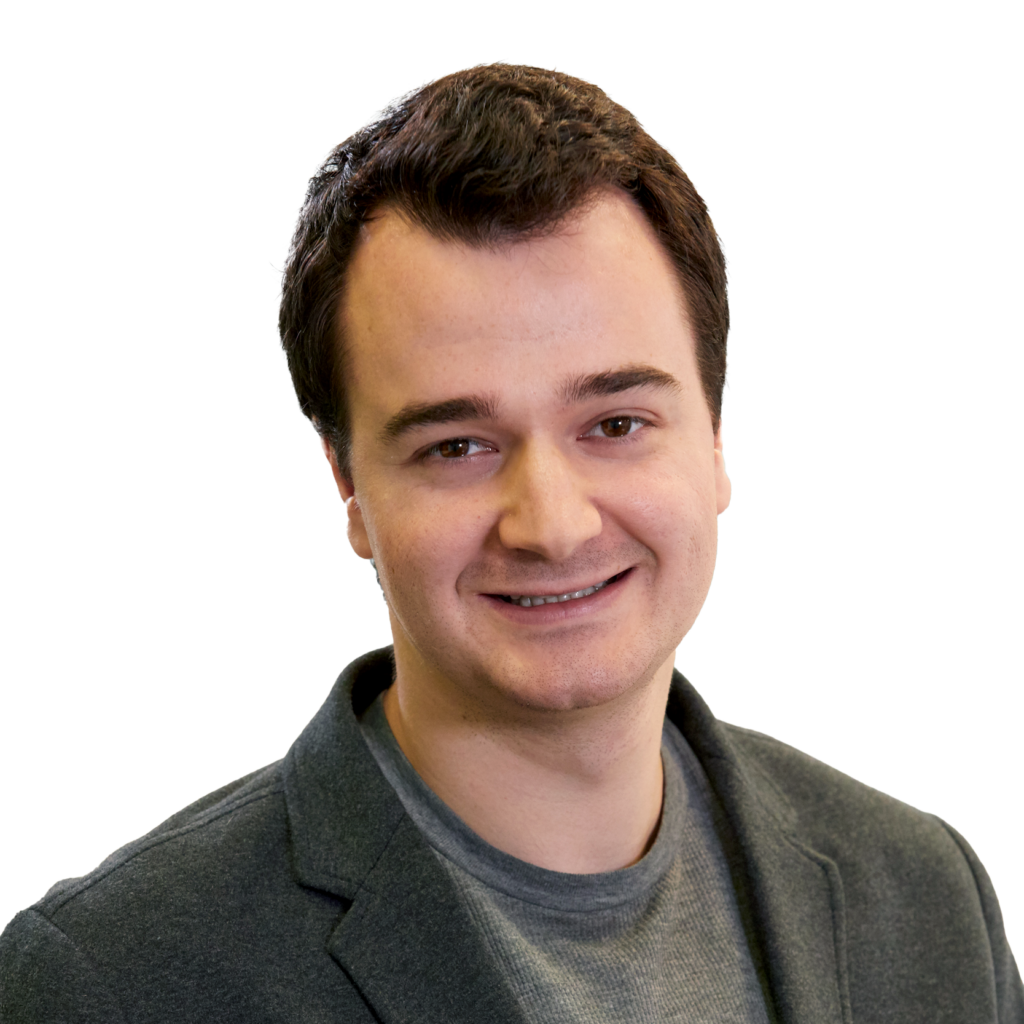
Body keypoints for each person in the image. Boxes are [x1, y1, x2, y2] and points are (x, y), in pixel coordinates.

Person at [1, 61, 1020, 1023]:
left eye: (614, 423)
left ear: (713, 439)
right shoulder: (114, 979)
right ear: (348, 486)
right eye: (457, 445)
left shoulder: (925, 895)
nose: (552, 524)